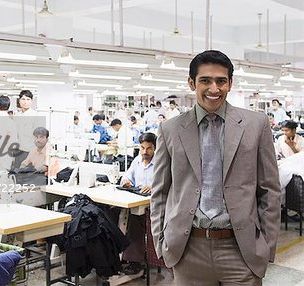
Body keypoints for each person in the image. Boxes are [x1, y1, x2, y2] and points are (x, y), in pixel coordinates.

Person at [150, 50, 281, 285]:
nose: (214, 89)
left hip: (241, 250)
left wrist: (266, 245)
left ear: (230, 83)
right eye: (205, 80)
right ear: (191, 83)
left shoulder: (255, 125)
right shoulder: (170, 129)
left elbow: (270, 189)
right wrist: (162, 242)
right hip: (188, 249)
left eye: (221, 81)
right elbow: (160, 191)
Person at [120, 133, 157, 274]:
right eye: (142, 148)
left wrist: (154, 186)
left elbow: (168, 182)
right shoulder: (137, 161)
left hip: (154, 204)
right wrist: (126, 181)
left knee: (136, 220)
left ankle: (135, 261)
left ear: (155, 148)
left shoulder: (160, 162)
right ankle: (117, 255)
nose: (144, 152)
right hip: (136, 200)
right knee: (110, 212)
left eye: (148, 148)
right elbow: (127, 176)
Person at [14, 90, 39, 168]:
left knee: (27, 177)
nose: (25, 102)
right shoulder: (17, 116)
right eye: (23, 99)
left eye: (28, 99)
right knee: (16, 176)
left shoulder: (35, 116)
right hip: (18, 151)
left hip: (29, 152)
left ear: (31, 101)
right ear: (19, 101)